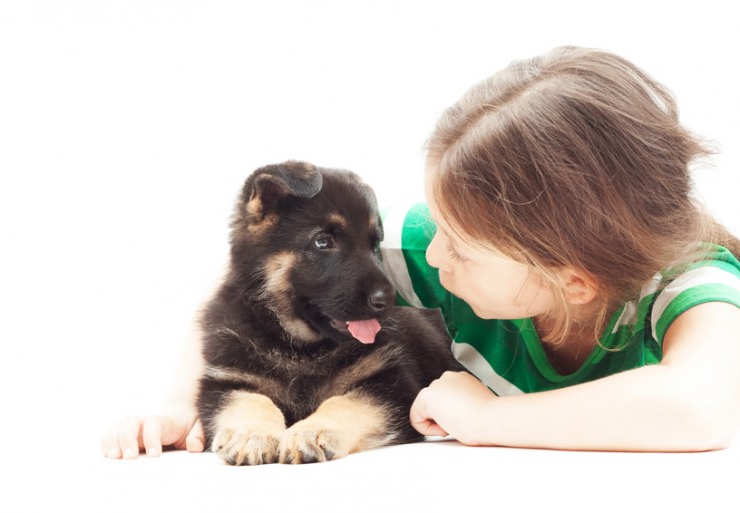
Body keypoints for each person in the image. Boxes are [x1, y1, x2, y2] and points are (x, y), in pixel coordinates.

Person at [101, 46, 740, 458]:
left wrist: (488, 419)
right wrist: (182, 407)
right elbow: (247, 279)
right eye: (437, 225)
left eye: (458, 245)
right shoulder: (448, 262)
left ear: (572, 280)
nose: (430, 255)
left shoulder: (689, 284)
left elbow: (697, 409)